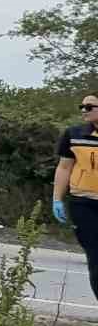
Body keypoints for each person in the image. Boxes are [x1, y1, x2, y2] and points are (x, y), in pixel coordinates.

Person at [52, 92, 98, 299]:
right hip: (83, 204)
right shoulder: (74, 134)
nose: (83, 111)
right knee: (96, 258)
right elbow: (64, 168)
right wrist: (57, 199)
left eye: (89, 107)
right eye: (82, 106)